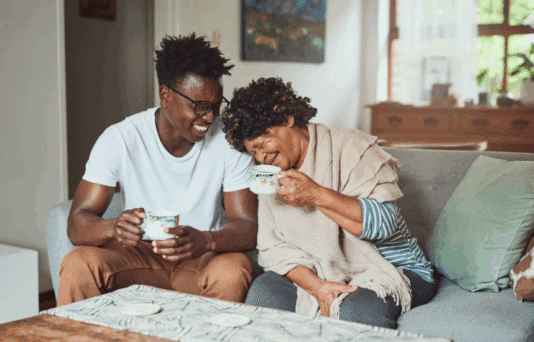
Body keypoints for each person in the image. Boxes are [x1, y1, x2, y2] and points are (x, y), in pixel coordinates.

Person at [57, 34, 258, 306]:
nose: (210, 117)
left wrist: (206, 240)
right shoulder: (121, 139)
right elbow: (76, 224)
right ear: (166, 96)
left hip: (202, 257)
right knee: (78, 263)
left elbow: (247, 226)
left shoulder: (229, 142)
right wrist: (113, 227)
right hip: (138, 256)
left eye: (215, 106)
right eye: (199, 106)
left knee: (233, 270)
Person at [221, 77, 436, 329]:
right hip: (320, 271)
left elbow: (385, 224)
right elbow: (272, 249)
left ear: (286, 119)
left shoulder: (351, 146)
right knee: (262, 293)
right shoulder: (268, 174)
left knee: (351, 311)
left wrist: (315, 195)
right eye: (253, 152)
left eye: (263, 144)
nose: (261, 157)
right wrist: (318, 287)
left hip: (392, 269)